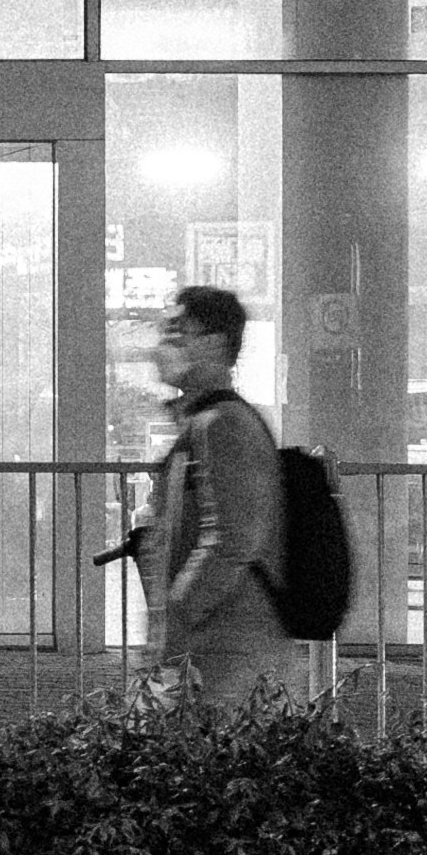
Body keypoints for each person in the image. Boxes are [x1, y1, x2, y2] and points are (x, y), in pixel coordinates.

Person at [133, 283, 294, 710]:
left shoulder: (224, 424)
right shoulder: (205, 422)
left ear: (216, 344)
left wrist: (178, 615)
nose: (166, 343)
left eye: (179, 330)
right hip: (208, 646)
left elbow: (231, 541)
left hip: (224, 650)